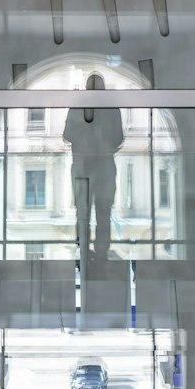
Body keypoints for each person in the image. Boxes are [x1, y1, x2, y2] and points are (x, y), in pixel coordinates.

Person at [65, 73, 126, 259]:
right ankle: (91, 249)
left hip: (94, 164)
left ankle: (93, 249)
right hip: (92, 164)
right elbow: (68, 134)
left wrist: (98, 137)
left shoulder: (80, 106)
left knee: (97, 210)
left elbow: (118, 138)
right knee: (92, 210)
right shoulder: (110, 108)